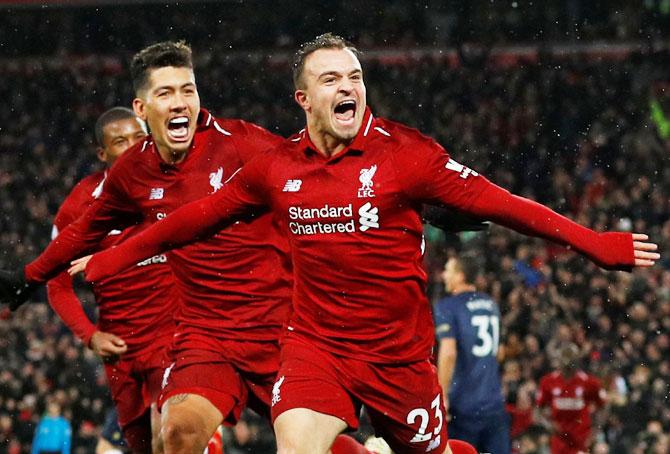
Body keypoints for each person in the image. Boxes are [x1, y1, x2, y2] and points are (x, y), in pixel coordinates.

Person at [68, 33, 659, 454]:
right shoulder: (278, 168)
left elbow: (502, 204)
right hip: (315, 344)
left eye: (355, 76)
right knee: (294, 446)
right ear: (304, 99)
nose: (348, 87)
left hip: (399, 357)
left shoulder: (406, 156)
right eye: (331, 79)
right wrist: (109, 260)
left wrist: (591, 243)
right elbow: (190, 221)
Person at [47, 106, 175, 452]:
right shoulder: (79, 206)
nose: (133, 146)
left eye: (139, 137)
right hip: (122, 347)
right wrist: (90, 336)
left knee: (174, 432)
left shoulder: (178, 182)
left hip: (176, 337)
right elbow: (56, 284)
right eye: (121, 141)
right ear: (103, 154)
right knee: (139, 445)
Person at [434, 254, 510, 454]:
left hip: (464, 406)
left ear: (460, 276)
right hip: (493, 403)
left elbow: (448, 353)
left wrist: (442, 396)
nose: (444, 275)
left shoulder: (447, 307)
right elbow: (500, 352)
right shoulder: (491, 304)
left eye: (448, 270)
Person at [536, 343, 607, 453]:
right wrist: (548, 425)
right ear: (558, 361)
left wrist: (595, 431)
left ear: (577, 360)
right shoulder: (547, 382)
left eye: (571, 360)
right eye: (565, 360)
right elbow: (538, 409)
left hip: (581, 439)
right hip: (559, 440)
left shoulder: (589, 382)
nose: (568, 365)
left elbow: (603, 406)